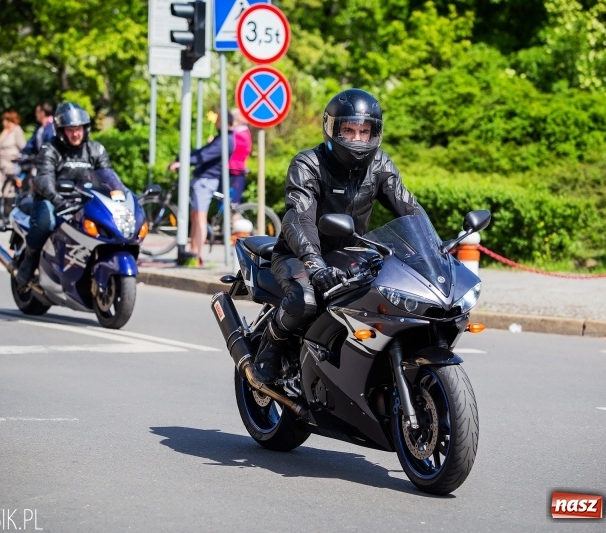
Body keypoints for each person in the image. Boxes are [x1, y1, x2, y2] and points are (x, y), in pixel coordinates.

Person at [248, 88, 423, 385]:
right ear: (332, 129)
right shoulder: (308, 164)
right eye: (349, 131)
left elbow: (409, 208)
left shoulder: (380, 165)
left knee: (388, 298)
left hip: (351, 256)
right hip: (298, 255)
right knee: (305, 300)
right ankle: (269, 347)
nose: (358, 139)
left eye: (365, 131)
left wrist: (435, 249)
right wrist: (314, 263)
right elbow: (299, 217)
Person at [15, 102, 111, 288]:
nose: (75, 134)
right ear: (61, 131)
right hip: (52, 199)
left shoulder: (95, 150)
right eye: (70, 130)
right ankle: (29, 261)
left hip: (84, 200)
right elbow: (44, 178)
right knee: (46, 223)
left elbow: (107, 177)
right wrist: (57, 199)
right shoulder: (50, 149)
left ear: (85, 129)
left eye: (79, 129)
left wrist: (119, 195)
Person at [169, 111, 235, 267]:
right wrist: (182, 158)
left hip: (206, 181)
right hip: (204, 180)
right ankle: (193, 251)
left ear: (224, 122)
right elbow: (203, 152)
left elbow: (204, 155)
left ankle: (197, 255)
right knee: (195, 216)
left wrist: (183, 161)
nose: (215, 122)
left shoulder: (225, 140)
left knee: (200, 218)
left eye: (218, 119)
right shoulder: (222, 138)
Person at [0, 110, 26, 201]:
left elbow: (23, 147)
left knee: (10, 189)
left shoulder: (17, 130)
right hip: (1, 164)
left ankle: (10, 205)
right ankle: (3, 205)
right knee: (2, 189)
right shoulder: (5, 131)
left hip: (11, 163)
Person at [228, 108, 252, 204]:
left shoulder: (241, 134)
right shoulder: (238, 132)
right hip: (233, 169)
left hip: (235, 169)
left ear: (237, 121)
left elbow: (231, 147)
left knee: (233, 202)